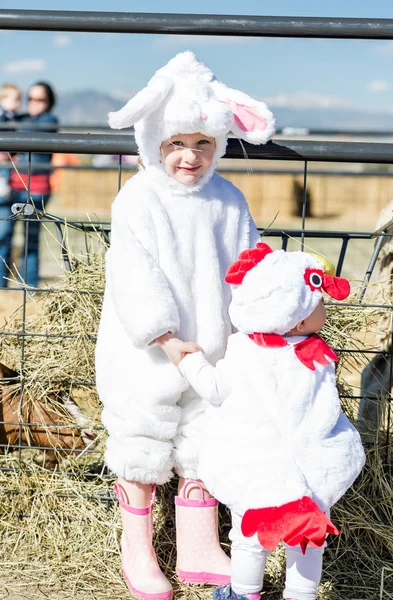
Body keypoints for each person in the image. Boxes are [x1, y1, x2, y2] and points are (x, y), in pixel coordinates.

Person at [95, 51, 276, 600]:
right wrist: (165, 336)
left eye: (203, 144)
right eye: (176, 144)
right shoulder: (138, 200)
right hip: (148, 349)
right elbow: (134, 274)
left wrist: (254, 325)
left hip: (215, 346)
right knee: (141, 434)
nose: (190, 157)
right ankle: (139, 548)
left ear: (219, 145)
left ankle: (198, 545)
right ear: (154, 143)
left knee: (207, 436)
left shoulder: (228, 200)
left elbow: (247, 266)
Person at [172, 243, 366, 600]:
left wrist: (190, 362)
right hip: (308, 465)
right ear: (299, 318)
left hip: (254, 465)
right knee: (307, 538)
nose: (324, 309)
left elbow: (214, 388)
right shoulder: (318, 357)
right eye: (319, 302)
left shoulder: (243, 350)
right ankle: (301, 595)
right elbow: (323, 412)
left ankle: (244, 593)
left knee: (247, 535)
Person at [0, 81, 58, 288]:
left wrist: (8, 121)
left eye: (39, 99)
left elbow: (25, 132)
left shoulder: (49, 121)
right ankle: (2, 284)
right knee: (4, 236)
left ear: (49, 102)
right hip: (14, 187)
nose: (33, 103)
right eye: (30, 98)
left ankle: (29, 286)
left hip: (35, 189)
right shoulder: (22, 120)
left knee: (29, 240)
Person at [0, 84, 21, 208]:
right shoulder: (3, 118)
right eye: (15, 99)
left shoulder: (12, 118)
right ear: (3, 100)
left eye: (19, 100)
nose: (18, 103)